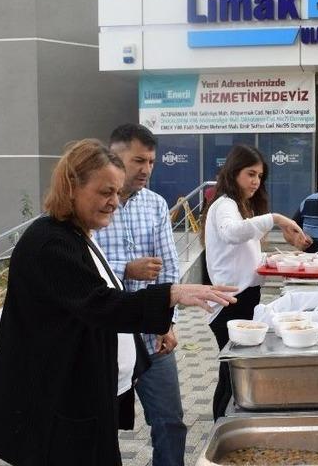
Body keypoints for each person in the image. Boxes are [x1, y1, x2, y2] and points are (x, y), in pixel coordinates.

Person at [0, 139, 236, 465]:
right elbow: (100, 305)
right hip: (60, 408)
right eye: (104, 192)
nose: (114, 202)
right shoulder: (50, 241)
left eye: (116, 192)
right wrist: (173, 294)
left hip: (88, 400)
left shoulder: (77, 234)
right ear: (71, 187)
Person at [94, 124, 187, 466]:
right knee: (100, 428)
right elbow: (78, 265)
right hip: (105, 335)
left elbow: (170, 269)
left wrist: (168, 322)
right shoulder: (92, 202)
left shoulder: (156, 204)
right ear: (113, 156)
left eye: (151, 161)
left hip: (151, 334)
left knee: (170, 422)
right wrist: (125, 268)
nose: (146, 169)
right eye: (138, 160)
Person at [202, 144, 308, 420]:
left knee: (239, 370)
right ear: (234, 172)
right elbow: (232, 234)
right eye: (250, 174)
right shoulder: (224, 204)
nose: (255, 181)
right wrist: (275, 218)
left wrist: (282, 259)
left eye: (260, 176)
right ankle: (222, 428)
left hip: (245, 298)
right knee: (232, 371)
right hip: (230, 302)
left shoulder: (240, 207)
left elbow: (247, 255)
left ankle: (231, 424)